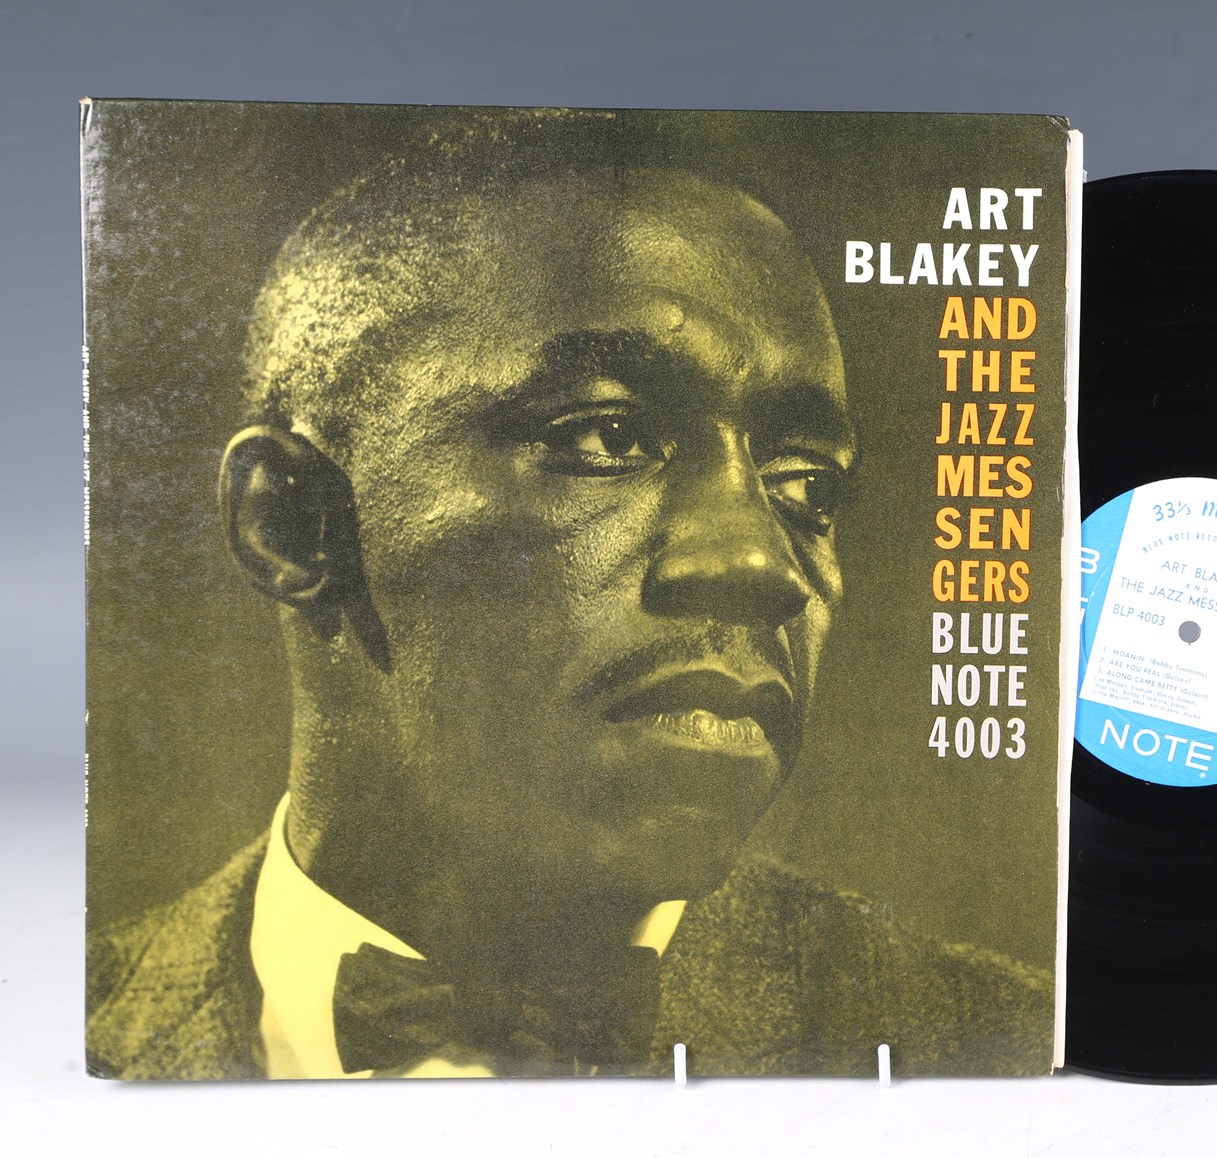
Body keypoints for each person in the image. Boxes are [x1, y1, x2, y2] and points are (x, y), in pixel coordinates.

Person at [86, 114, 1051, 1080]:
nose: (762, 564)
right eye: (606, 437)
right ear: (291, 525)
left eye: (806, 485)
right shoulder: (67, 1022)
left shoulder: (993, 1039)